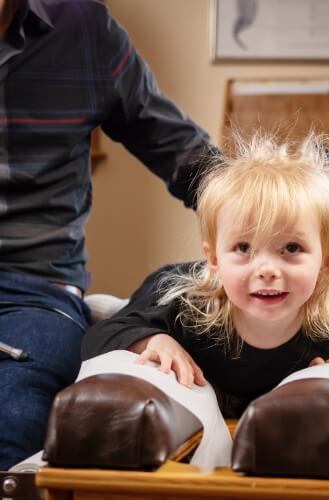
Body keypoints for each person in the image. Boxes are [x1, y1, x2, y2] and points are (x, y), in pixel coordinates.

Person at [0, 0, 219, 469]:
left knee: (11, 423)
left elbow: (181, 151)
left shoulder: (83, 29)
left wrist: (274, 222)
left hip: (35, 291)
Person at [82, 133, 329, 418]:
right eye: (243, 247)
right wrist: (152, 338)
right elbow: (98, 337)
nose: (266, 270)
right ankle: (109, 304)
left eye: (291, 247)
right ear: (214, 257)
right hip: (175, 296)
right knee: (122, 312)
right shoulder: (185, 306)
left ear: (326, 261)